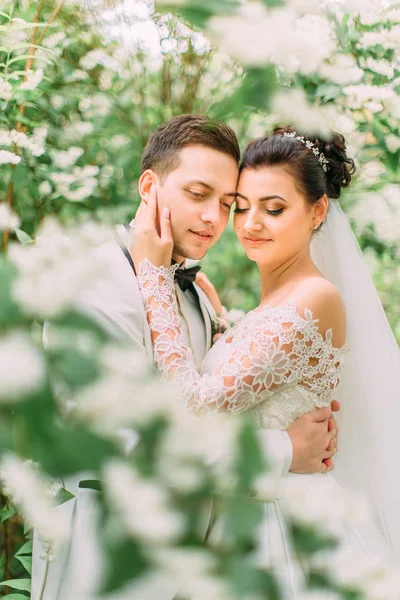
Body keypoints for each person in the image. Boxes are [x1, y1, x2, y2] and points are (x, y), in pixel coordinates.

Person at [31, 116, 340, 600]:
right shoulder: (93, 285)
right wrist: (284, 449)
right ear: (150, 186)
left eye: (225, 203)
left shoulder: (188, 288)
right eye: (198, 195)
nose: (215, 219)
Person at [130, 125, 400, 596]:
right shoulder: (274, 306)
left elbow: (195, 407)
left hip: (281, 531)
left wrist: (153, 278)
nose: (250, 224)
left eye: (274, 209)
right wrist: (218, 325)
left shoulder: (313, 297)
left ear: (317, 211)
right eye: (242, 206)